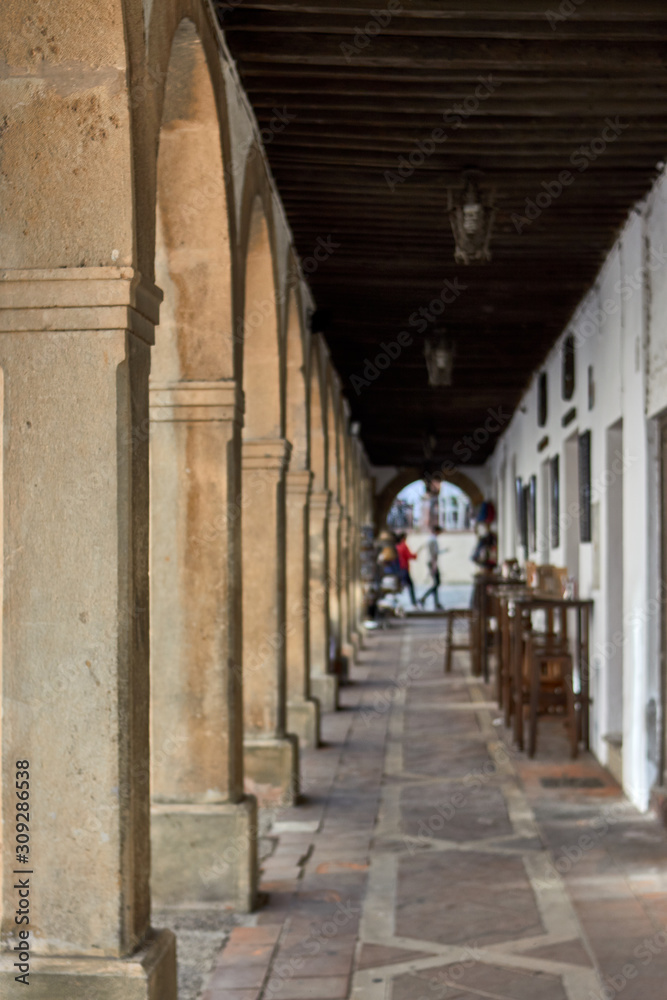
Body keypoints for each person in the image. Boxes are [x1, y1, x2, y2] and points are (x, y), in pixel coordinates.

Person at [420, 524, 444, 610]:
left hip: (431, 562)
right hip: (432, 562)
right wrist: (434, 566)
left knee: (436, 583)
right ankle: (423, 598)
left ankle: (436, 602)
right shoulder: (433, 540)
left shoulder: (431, 539)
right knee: (436, 583)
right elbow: (434, 554)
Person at [396, 532, 417, 607]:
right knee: (408, 585)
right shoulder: (404, 546)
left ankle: (413, 602)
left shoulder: (397, 546)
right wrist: (415, 555)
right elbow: (409, 555)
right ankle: (413, 602)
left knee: (404, 585)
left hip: (399, 568)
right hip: (404, 568)